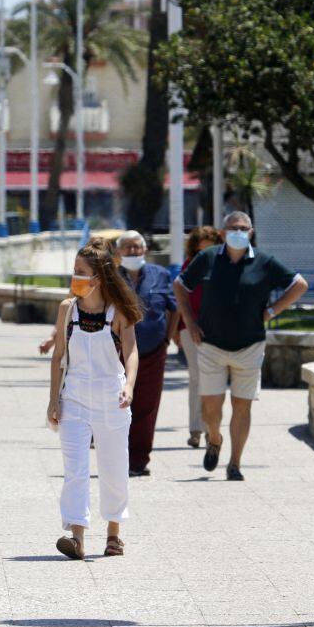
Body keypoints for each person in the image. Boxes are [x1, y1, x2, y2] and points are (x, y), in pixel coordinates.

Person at [174, 211, 308, 479]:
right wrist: (189, 320)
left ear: (251, 232)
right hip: (211, 344)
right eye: (233, 228)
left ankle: (235, 463)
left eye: (244, 228)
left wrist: (272, 311)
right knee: (210, 408)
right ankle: (214, 438)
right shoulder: (208, 258)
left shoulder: (265, 261)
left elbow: (299, 284)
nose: (239, 232)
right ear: (223, 233)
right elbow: (180, 285)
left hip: (250, 345)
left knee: (242, 406)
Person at [48, 240, 141, 559]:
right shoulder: (67, 310)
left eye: (81, 271)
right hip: (74, 397)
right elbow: (58, 356)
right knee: (75, 468)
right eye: (74, 270)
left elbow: (131, 352)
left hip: (111, 397)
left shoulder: (118, 312)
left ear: (98, 278)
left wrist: (129, 386)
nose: (74, 276)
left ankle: (114, 533)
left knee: (114, 468)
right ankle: (77, 536)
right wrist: (53, 400)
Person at [116, 230, 177, 477]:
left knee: (147, 407)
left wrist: (167, 339)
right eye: (127, 247)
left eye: (136, 246)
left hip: (153, 352)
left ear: (145, 250)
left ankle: (139, 461)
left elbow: (174, 308)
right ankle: (118, 458)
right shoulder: (111, 278)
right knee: (118, 405)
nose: (132, 251)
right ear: (119, 252)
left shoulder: (160, 275)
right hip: (117, 355)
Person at [175, 226, 224, 449]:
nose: (206, 253)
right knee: (197, 378)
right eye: (201, 249)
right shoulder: (189, 266)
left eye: (210, 248)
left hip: (218, 328)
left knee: (213, 379)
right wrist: (177, 329)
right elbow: (180, 299)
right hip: (190, 327)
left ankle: (210, 428)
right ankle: (196, 429)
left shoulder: (225, 265)